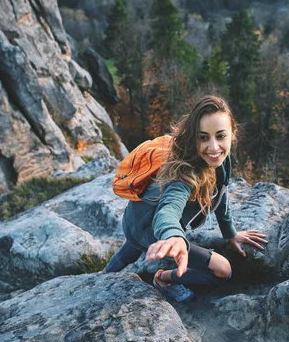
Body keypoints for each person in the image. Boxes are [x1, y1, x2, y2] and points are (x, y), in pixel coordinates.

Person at [104, 95, 267, 302]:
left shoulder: (219, 162)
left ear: (232, 134)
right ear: (193, 137)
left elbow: (221, 195)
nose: (214, 147)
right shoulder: (185, 173)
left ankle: (103, 275)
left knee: (130, 248)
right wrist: (175, 237)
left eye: (220, 136)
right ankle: (163, 279)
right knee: (223, 269)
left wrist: (231, 233)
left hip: (136, 220)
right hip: (149, 227)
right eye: (203, 137)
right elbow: (168, 210)